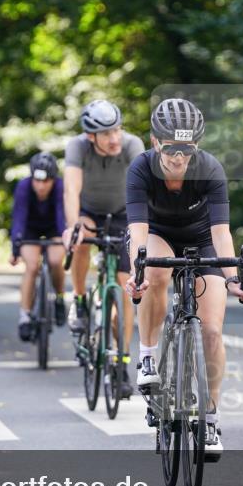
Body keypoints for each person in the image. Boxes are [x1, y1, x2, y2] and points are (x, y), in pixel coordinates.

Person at [125, 98, 243, 459]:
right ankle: (149, 356)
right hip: (158, 233)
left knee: (212, 331)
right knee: (154, 268)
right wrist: (137, 272)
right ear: (155, 142)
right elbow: (137, 230)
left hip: (202, 240)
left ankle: (209, 417)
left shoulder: (210, 169)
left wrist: (233, 278)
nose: (179, 157)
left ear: (196, 146)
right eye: (171, 148)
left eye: (186, 149)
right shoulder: (140, 169)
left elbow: (221, 233)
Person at [61, 99, 145, 396]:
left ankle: (121, 361)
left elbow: (145, 189)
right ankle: (81, 300)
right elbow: (71, 189)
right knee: (81, 238)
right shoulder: (77, 147)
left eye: (117, 130)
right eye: (107, 134)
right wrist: (73, 226)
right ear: (91, 137)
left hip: (124, 214)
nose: (114, 139)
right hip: (89, 212)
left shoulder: (133, 145)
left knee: (125, 289)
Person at [10, 152, 67, 341]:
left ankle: (59, 297)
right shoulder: (24, 186)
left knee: (55, 260)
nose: (41, 186)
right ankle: (24, 316)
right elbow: (19, 218)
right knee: (32, 266)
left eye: (46, 181)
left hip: (53, 227)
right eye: (37, 181)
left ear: (53, 179)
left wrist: (66, 241)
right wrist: (15, 249)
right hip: (30, 229)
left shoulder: (60, 187)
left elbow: (61, 215)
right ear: (32, 177)